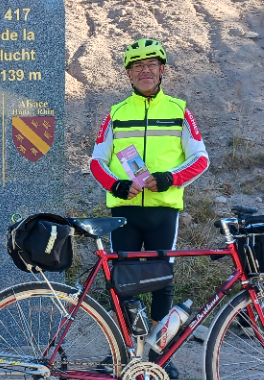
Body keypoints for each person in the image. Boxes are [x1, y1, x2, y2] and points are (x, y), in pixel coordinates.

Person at [89, 38, 209, 379]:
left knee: (161, 281)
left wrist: (169, 178)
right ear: (128, 74)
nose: (145, 70)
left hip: (163, 212)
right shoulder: (115, 113)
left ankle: (158, 355)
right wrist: (117, 185)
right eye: (137, 66)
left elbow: (200, 159)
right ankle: (125, 354)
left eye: (151, 64)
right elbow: (97, 161)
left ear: (162, 70)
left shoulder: (179, 109)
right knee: (122, 283)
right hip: (124, 212)